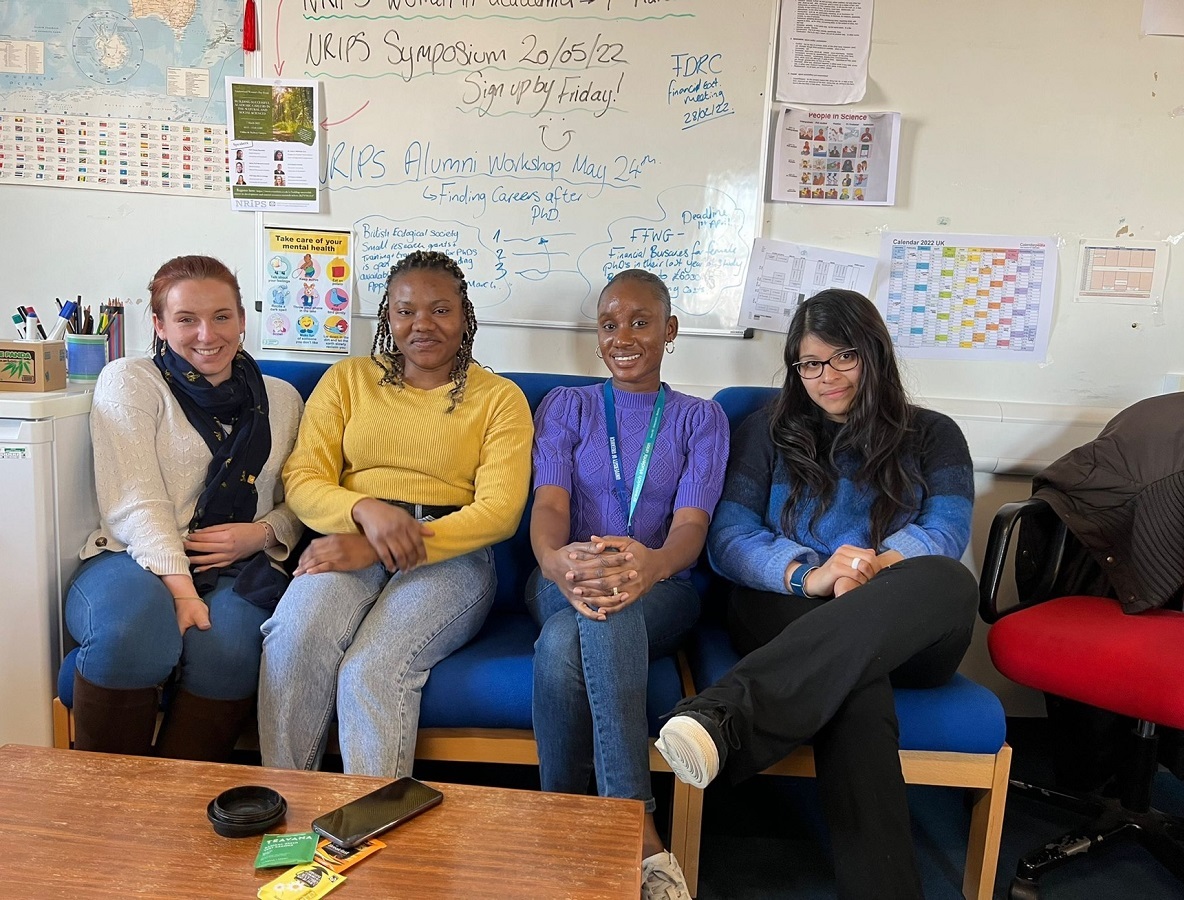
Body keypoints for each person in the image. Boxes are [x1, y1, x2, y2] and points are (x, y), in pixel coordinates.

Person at [654, 289, 976, 900]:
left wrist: (874, 569)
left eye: (842, 358)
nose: (824, 377)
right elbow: (729, 539)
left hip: (902, 618)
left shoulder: (933, 434)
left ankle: (728, 716)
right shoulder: (766, 433)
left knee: (950, 580)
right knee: (853, 682)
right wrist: (811, 573)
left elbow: (947, 531)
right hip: (793, 603)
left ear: (874, 354)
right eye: (809, 363)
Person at [259, 250, 534, 778]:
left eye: (440, 310)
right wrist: (364, 512)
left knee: (372, 669)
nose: (422, 325)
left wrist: (386, 540)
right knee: (292, 641)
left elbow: (499, 513)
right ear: (388, 316)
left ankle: (370, 830)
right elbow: (303, 481)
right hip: (347, 539)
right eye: (406, 311)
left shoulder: (500, 399)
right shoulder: (347, 381)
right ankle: (290, 814)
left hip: (451, 556)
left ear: (464, 315)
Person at [526, 269, 729, 899]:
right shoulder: (566, 406)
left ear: (670, 330)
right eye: (610, 324)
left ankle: (573, 821)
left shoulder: (701, 419)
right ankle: (637, 832)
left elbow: (691, 528)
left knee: (573, 638)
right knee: (585, 617)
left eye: (641, 322)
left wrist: (651, 565)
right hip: (566, 573)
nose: (624, 337)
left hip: (663, 584)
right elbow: (551, 507)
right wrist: (555, 561)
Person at [66, 255, 304, 761]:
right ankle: (103, 802)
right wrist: (179, 589)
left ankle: (175, 810)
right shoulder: (130, 380)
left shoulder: (282, 399)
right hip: (132, 555)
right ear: (158, 324)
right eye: (185, 319)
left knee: (232, 648)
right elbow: (135, 501)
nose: (206, 334)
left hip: (235, 566)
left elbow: (297, 500)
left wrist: (261, 534)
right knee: (134, 630)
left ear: (242, 319)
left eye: (222, 316)